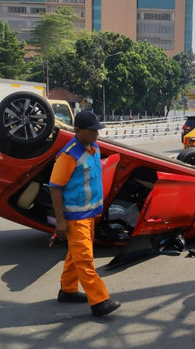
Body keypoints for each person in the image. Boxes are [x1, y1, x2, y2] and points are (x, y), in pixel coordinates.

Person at [50, 110, 121, 317]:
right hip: (75, 217)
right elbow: (55, 187)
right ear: (77, 130)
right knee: (85, 259)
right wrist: (60, 222)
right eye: (92, 131)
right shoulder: (68, 155)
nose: (96, 135)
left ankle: (68, 290)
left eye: (97, 131)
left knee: (76, 254)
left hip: (88, 214)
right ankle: (99, 301)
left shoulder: (94, 148)